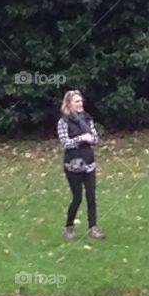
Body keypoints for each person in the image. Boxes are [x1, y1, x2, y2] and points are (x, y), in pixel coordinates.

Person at [58, 90, 104, 240]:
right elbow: (65, 143)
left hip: (89, 162)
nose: (80, 103)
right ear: (69, 104)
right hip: (72, 165)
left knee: (91, 196)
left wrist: (91, 139)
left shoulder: (87, 119)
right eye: (77, 101)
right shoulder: (63, 122)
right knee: (77, 197)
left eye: (81, 101)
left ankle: (93, 228)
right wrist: (81, 138)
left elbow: (95, 139)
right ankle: (69, 226)